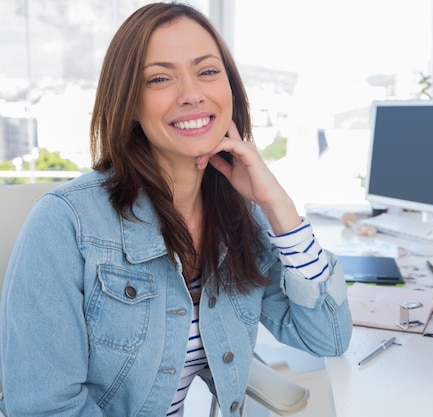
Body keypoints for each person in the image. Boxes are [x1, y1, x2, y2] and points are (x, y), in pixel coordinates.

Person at [0, 2, 352, 416]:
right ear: (129, 103)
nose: (191, 94)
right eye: (160, 78)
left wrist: (278, 207)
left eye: (207, 71)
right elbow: (43, 407)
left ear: (231, 90)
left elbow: (327, 337)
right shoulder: (65, 223)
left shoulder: (241, 219)